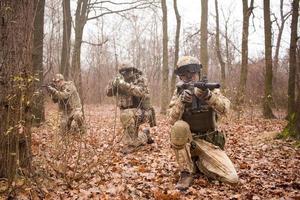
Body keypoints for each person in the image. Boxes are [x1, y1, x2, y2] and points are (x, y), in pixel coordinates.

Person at [167, 56, 238, 191]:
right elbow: (170, 120)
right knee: (179, 126)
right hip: (190, 141)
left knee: (232, 178)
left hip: (209, 143)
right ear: (180, 77)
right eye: (184, 74)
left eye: (192, 73)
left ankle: (199, 165)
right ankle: (186, 173)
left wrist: (208, 96)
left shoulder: (210, 90)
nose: (189, 77)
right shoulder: (178, 93)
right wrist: (181, 102)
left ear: (198, 73)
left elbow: (225, 109)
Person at [106, 63, 156, 154]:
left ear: (133, 70)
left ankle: (132, 146)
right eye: (123, 72)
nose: (126, 74)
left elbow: (140, 92)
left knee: (130, 140)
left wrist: (124, 85)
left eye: (128, 71)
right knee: (131, 136)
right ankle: (145, 134)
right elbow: (108, 93)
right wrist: (113, 85)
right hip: (128, 114)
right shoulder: (119, 80)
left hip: (143, 112)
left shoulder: (140, 79)